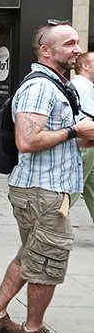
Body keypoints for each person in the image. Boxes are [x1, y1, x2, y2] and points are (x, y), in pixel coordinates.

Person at [0, 21, 94, 333]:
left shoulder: (59, 85)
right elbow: (27, 141)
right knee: (48, 261)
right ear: (46, 50)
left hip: (43, 188)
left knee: (31, 252)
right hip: (42, 192)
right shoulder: (40, 88)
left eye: (77, 42)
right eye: (69, 43)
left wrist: (80, 133)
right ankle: (34, 328)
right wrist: (75, 131)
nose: (77, 49)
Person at [69, 52, 94, 224]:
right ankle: (49, 224)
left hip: (87, 146)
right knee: (73, 189)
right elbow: (86, 120)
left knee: (89, 187)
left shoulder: (83, 86)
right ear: (85, 65)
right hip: (84, 146)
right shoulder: (83, 88)